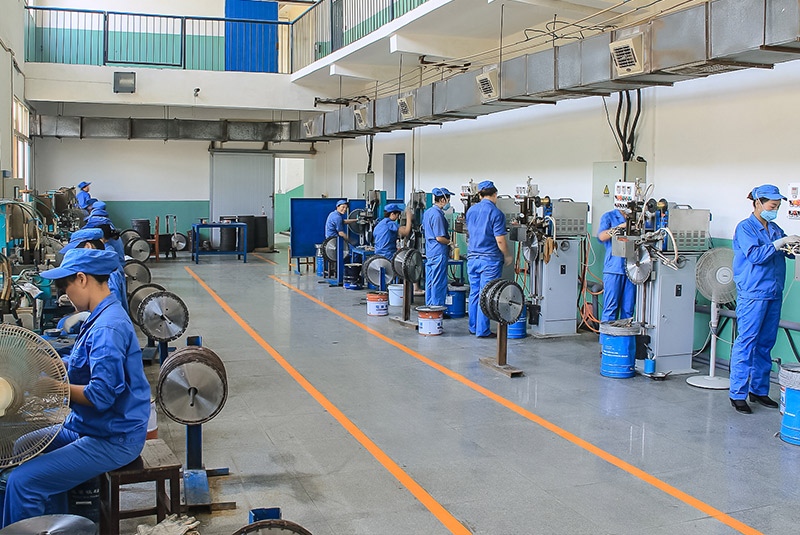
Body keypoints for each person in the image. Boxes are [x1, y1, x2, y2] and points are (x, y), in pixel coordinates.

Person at [1, 248, 150, 527]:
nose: (65, 296)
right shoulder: (99, 315)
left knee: (22, 482)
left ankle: (36, 522)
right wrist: (42, 361)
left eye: (65, 287)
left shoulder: (107, 328)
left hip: (113, 437)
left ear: (82, 279)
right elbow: (82, 363)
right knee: (23, 445)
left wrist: (54, 388)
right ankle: (53, 523)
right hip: (92, 425)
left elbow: (101, 396)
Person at [729, 185, 800, 414]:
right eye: (773, 205)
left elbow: (785, 252)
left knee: (765, 343)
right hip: (753, 293)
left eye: (777, 206)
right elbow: (755, 256)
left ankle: (759, 391)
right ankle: (737, 394)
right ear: (758, 203)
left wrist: (793, 245)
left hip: (773, 292)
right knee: (747, 342)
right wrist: (779, 243)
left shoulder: (775, 228)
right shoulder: (745, 228)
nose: (775, 210)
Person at [466, 181, 512, 338]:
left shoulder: (471, 211)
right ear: (495, 195)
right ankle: (482, 330)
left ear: (480, 195)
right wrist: (507, 255)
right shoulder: (496, 213)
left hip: (472, 258)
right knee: (486, 294)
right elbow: (500, 240)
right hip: (489, 260)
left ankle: (473, 327)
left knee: (474, 293)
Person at [61, 227, 127, 311]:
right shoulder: (102, 266)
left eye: (76, 250)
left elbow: (108, 306)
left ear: (88, 246)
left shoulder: (107, 272)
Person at [597, 207, 636, 322]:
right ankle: (607, 333)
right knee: (610, 307)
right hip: (614, 268)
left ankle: (626, 333)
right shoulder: (609, 217)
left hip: (633, 269)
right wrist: (619, 228)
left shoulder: (638, 218)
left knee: (628, 309)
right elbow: (601, 236)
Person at [423, 188, 454, 306]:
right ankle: (437, 308)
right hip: (438, 252)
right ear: (442, 200)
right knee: (438, 282)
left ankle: (429, 307)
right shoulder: (437, 216)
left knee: (430, 281)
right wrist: (450, 242)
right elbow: (439, 238)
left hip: (430, 252)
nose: (448, 202)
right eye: (448, 200)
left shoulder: (428, 212)